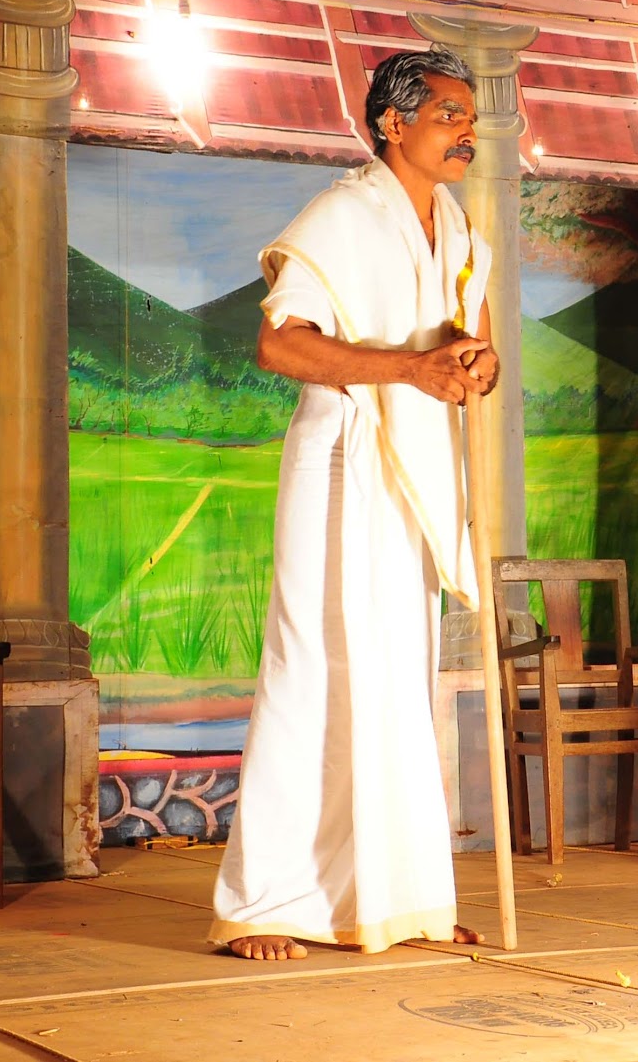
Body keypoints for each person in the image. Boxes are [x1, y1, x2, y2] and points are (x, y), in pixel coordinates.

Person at [208, 49, 499, 959]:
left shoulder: (458, 232)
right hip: (341, 458)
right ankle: (264, 903)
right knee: (313, 670)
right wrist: (409, 368)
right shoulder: (341, 214)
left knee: (396, 680)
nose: (467, 131)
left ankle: (398, 898)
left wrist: (475, 365)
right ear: (392, 124)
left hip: (411, 472)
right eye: (449, 114)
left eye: (471, 116)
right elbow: (279, 346)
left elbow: (470, 348)